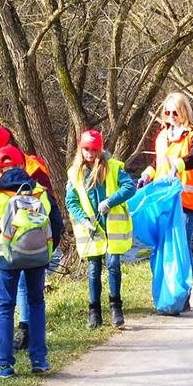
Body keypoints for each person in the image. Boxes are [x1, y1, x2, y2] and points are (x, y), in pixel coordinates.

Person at [0, 144, 64, 377]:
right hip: (37, 256)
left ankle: (4, 365)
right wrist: (46, 250)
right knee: (36, 303)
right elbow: (57, 224)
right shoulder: (41, 191)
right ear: (22, 165)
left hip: (8, 257)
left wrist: (4, 248)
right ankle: (39, 360)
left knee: (6, 307)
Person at [138, 92, 193, 283]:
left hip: (187, 200)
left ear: (183, 112)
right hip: (164, 201)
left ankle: (182, 293)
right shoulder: (163, 136)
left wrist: (179, 165)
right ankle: (166, 290)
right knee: (164, 246)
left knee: (183, 247)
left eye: (175, 112)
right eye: (167, 112)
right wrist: (148, 172)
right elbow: (159, 162)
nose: (171, 116)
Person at [66, 129, 137, 328]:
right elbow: (71, 201)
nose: (90, 152)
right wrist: (83, 220)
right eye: (86, 148)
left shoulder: (113, 167)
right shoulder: (74, 173)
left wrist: (109, 201)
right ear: (81, 149)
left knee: (113, 265)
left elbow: (130, 187)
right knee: (93, 269)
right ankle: (94, 313)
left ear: (100, 149)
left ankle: (116, 308)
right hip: (92, 229)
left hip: (112, 227)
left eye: (93, 149)